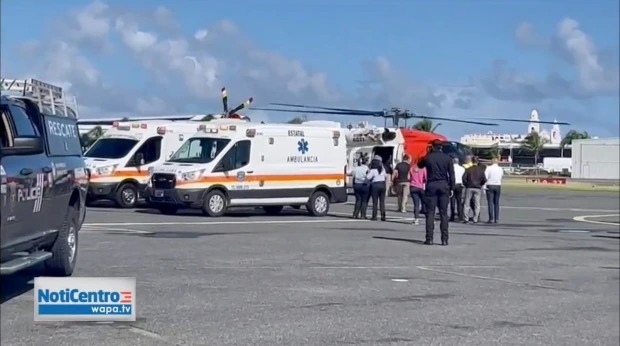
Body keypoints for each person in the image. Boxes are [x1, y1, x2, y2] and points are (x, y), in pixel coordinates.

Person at [418, 140, 455, 246]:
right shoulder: (447, 158)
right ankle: (444, 239)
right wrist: (451, 187)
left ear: (432, 146)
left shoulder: (428, 157)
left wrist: (427, 153)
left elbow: (420, 165)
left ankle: (429, 238)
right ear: (441, 147)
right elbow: (451, 175)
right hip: (443, 185)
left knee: (430, 213)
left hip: (431, 185)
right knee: (443, 214)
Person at [462, 156, 487, 224]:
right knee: (477, 204)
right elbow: (484, 179)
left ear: (472, 161)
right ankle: (475, 218)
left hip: (469, 187)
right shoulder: (481, 170)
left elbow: (464, 178)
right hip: (477, 187)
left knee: (467, 203)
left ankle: (466, 218)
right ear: (478, 161)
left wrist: (466, 184)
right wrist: (480, 184)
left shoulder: (468, 169)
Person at [366, 155, 387, 221]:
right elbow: (385, 176)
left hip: (375, 185)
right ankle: (383, 216)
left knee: (375, 202)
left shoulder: (373, 170)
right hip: (382, 184)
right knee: (382, 202)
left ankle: (374, 216)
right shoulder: (382, 169)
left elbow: (368, 177)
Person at [484, 157, 504, 223]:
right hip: (497, 185)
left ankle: (491, 218)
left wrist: (484, 186)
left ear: (491, 162)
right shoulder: (500, 169)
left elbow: (485, 177)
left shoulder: (488, 168)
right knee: (496, 203)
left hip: (490, 185)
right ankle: (497, 218)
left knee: (490, 202)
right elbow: (501, 176)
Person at [409, 161, 427, 225]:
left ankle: (416, 219)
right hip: (421, 187)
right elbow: (425, 178)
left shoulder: (411, 169)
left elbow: (409, 178)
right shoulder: (423, 169)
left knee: (416, 204)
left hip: (413, 187)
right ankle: (429, 218)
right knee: (424, 203)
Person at [450, 157, 465, 222]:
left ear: (453, 161)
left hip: (452, 184)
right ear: (458, 162)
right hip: (459, 185)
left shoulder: (451, 168)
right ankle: (460, 216)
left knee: (452, 201)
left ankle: (452, 216)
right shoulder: (462, 168)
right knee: (459, 201)